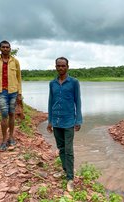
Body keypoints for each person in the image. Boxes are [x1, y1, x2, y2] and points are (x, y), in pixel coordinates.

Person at [47, 57, 82, 192]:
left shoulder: (74, 82)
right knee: (61, 148)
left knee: (69, 150)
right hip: (56, 121)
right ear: (55, 67)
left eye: (63, 66)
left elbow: (77, 102)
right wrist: (50, 121)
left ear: (67, 67)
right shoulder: (52, 84)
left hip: (69, 121)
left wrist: (78, 120)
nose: (61, 68)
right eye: (58, 66)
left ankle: (70, 178)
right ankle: (65, 170)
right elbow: (50, 102)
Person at [0, 40, 22, 152]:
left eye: (8, 47)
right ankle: (4, 140)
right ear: (0, 49)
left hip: (13, 91)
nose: (6, 49)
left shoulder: (15, 61)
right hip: (1, 92)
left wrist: (19, 94)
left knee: (12, 114)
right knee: (4, 115)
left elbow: (19, 78)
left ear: (10, 49)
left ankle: (11, 137)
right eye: (3, 47)